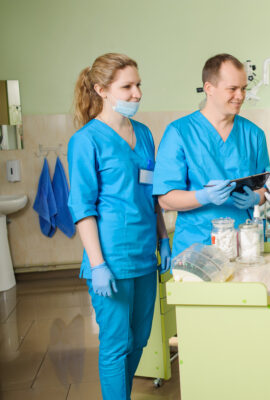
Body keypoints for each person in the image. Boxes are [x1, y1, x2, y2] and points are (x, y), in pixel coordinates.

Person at [68, 53, 171, 400]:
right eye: (127, 86)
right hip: (110, 257)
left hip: (145, 254)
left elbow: (152, 193)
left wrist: (163, 237)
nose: (137, 94)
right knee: (116, 344)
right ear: (101, 90)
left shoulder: (143, 134)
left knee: (139, 338)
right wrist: (97, 264)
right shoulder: (86, 141)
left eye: (138, 84)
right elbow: (82, 208)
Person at [153, 53, 270, 256]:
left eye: (243, 88)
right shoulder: (180, 132)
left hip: (244, 247)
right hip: (195, 248)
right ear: (209, 89)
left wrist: (256, 198)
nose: (240, 96)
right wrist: (203, 196)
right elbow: (166, 199)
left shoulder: (254, 135)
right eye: (232, 89)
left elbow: (266, 189)